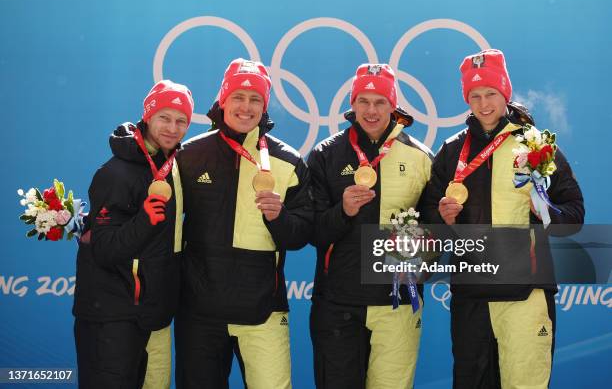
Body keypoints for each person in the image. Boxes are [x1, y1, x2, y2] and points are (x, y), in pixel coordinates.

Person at [420, 49, 584, 388]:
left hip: (527, 292)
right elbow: (426, 220)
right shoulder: (452, 151)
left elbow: (575, 215)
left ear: (505, 93)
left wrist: (545, 211)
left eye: (490, 94)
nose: (483, 104)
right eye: (474, 96)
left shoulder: (536, 145)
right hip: (472, 294)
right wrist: (442, 215)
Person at [175, 58, 313, 389]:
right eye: (238, 96)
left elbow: (302, 234)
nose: (246, 107)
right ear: (223, 100)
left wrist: (279, 218)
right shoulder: (189, 155)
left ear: (264, 106)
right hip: (199, 312)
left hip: (262, 309)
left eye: (255, 99)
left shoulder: (288, 162)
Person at [307, 63, 433, 388]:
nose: (371, 110)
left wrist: (418, 255)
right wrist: (343, 211)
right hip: (338, 304)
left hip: (397, 304)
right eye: (363, 101)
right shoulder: (326, 154)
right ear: (352, 104)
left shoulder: (421, 157)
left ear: (393, 105)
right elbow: (313, 232)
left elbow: (436, 235)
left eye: (380, 102)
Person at [73, 80, 194, 388]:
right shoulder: (115, 172)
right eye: (164, 118)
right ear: (148, 116)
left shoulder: (170, 165)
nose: (172, 127)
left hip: (145, 313)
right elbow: (103, 249)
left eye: (181, 121)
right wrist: (144, 221)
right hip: (110, 316)